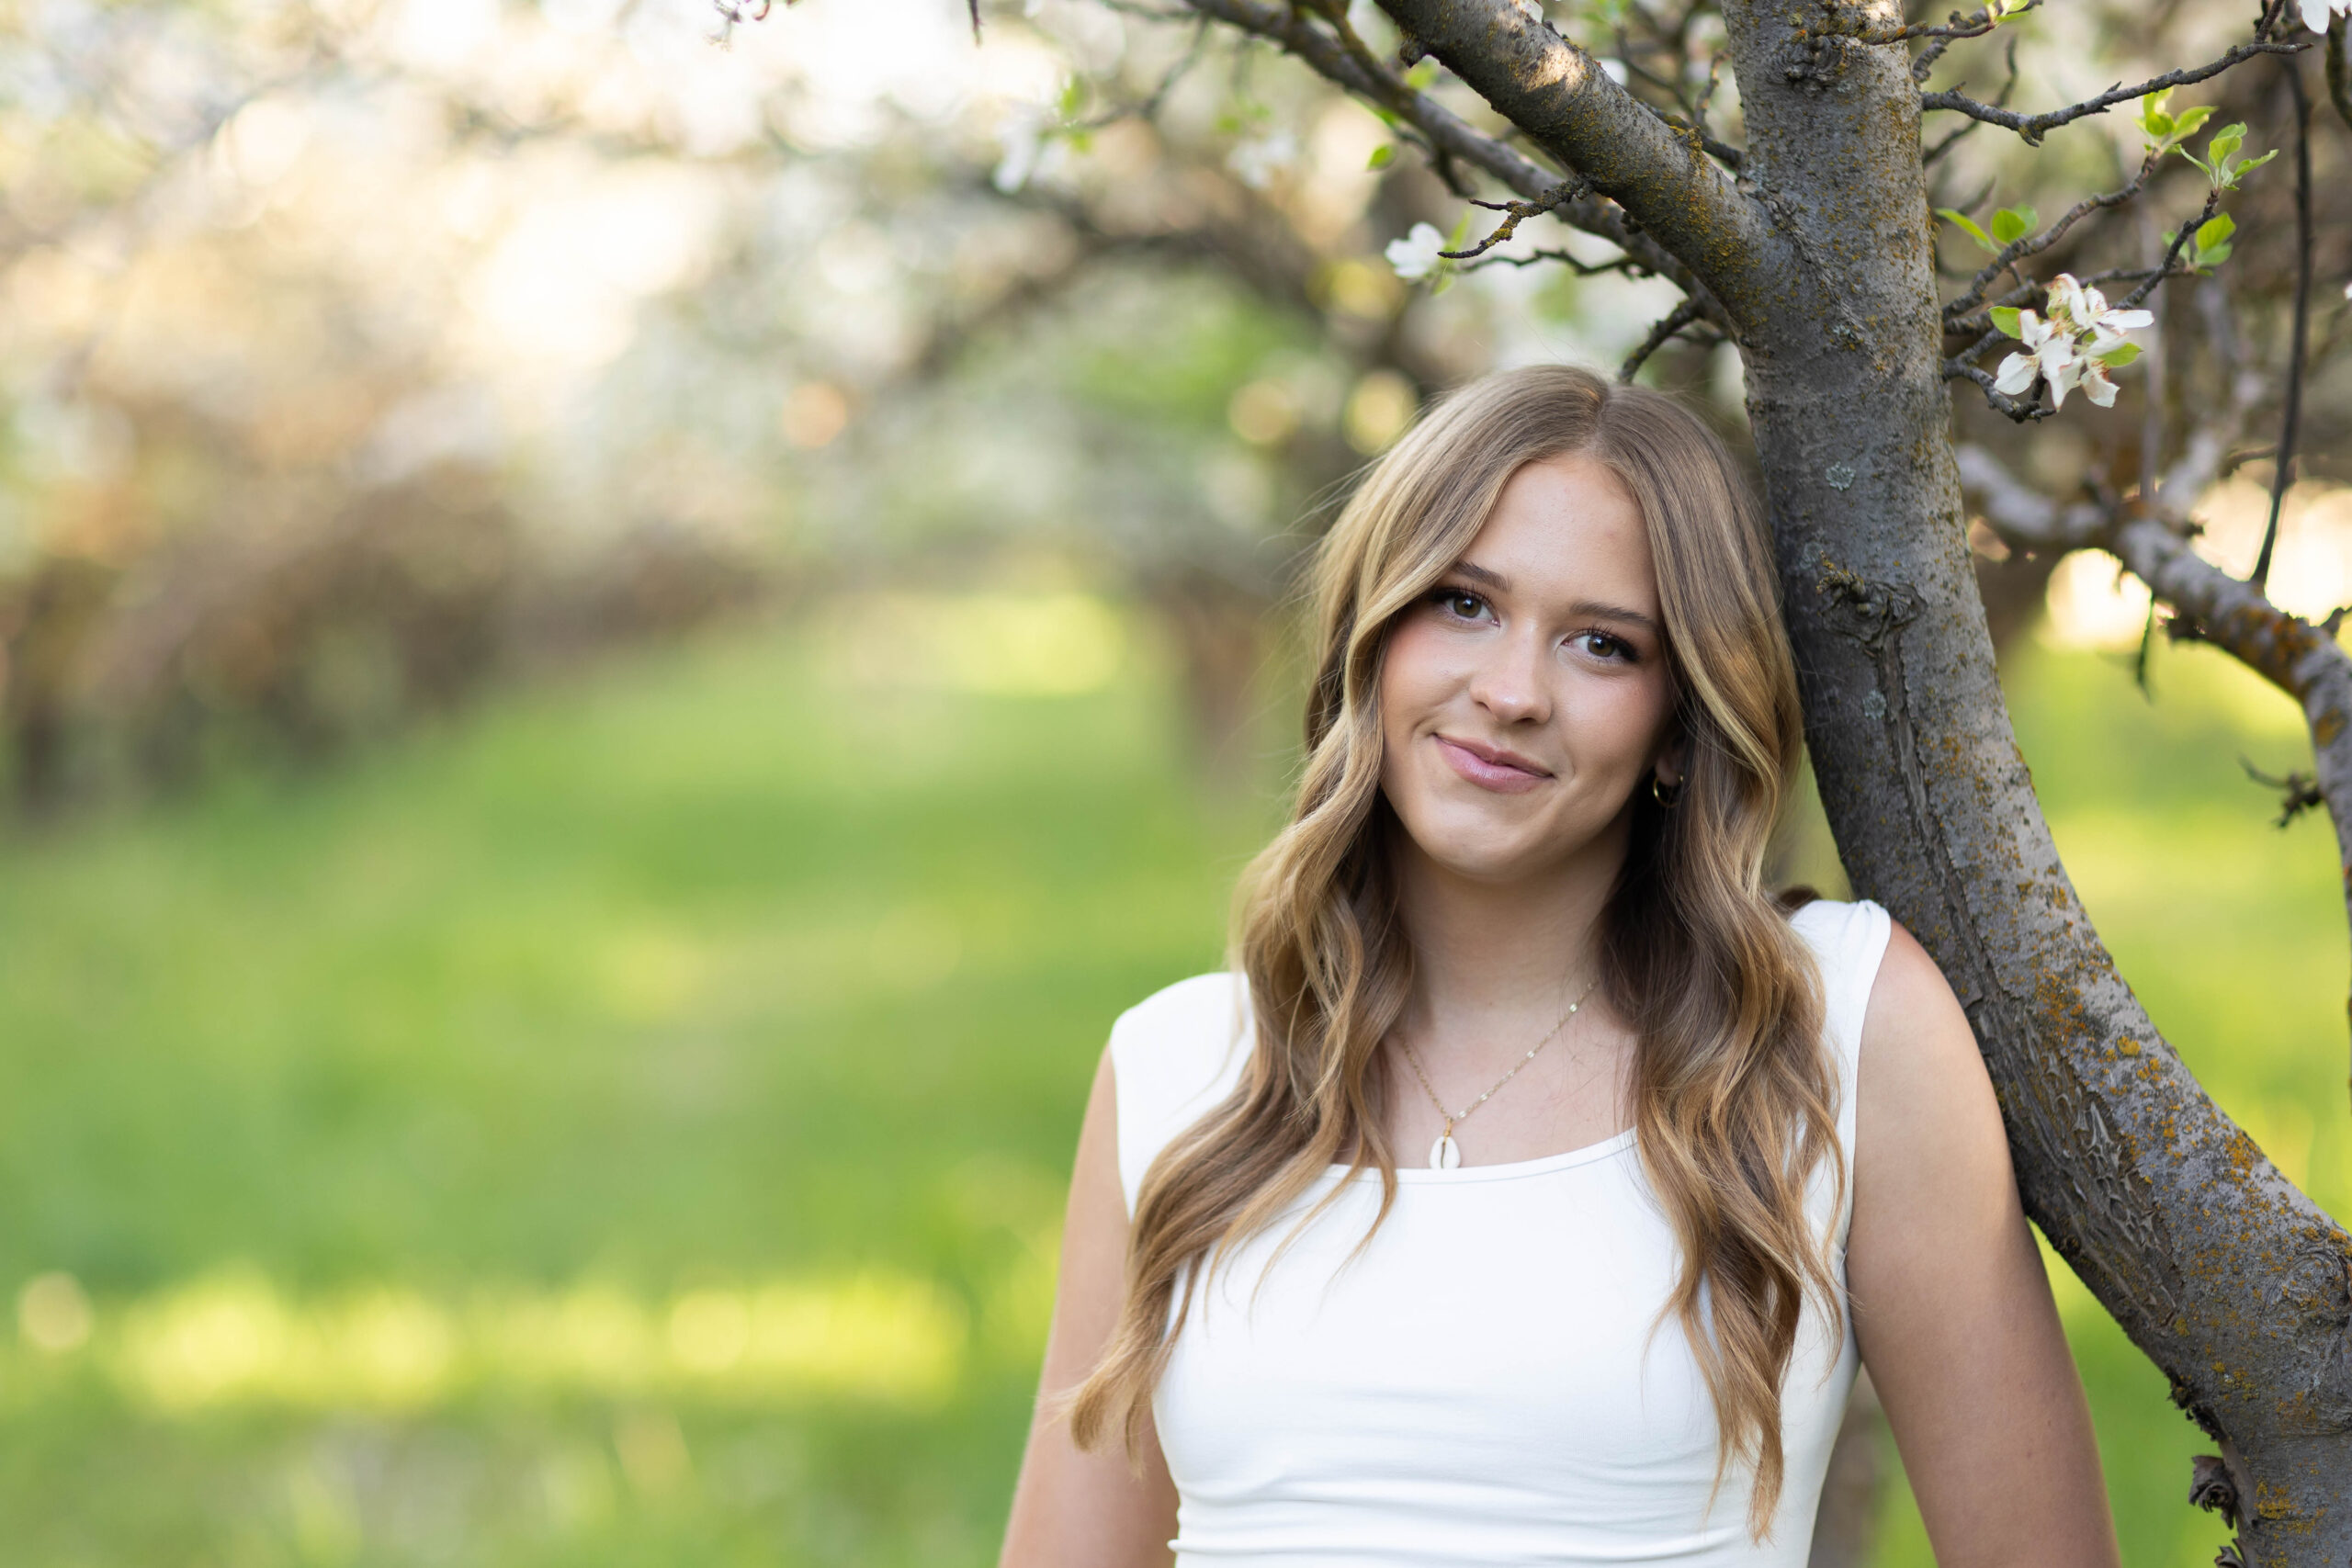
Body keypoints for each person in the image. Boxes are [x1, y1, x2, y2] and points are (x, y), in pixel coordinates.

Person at [998, 365, 2118, 1567]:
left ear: (1681, 728)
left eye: (1602, 644)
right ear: (1372, 635)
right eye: (1465, 604)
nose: (1513, 693)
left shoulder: (1836, 1025)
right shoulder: (1181, 1068)